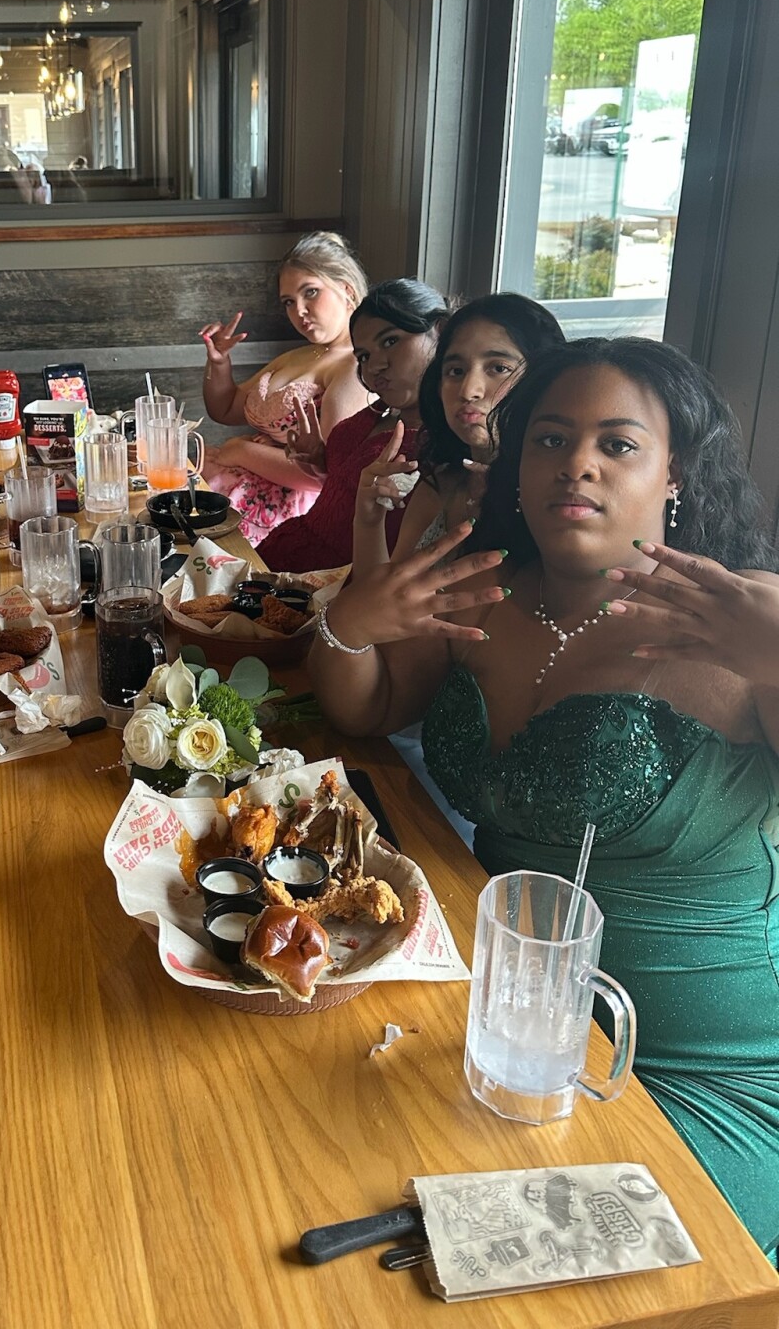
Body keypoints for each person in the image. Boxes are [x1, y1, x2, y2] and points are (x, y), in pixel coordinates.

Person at [311, 337, 779, 1259]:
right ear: (518, 466)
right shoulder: (482, 590)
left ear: (676, 473)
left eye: (619, 444)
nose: (578, 465)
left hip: (702, 1066)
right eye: (552, 440)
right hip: (506, 1028)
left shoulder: (740, 615)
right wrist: (349, 624)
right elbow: (368, 709)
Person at [256, 278, 448, 571]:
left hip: (339, 584)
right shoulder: (378, 413)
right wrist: (319, 462)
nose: (375, 366)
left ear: (440, 332)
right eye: (364, 356)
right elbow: (345, 491)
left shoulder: (442, 446)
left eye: (390, 341)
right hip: (286, 557)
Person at [364, 294, 565, 564]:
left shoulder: (560, 495)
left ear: (543, 380)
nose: (469, 390)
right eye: (456, 371)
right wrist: (368, 521)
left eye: (498, 368)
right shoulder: (441, 483)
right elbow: (385, 591)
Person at [200, 233, 372, 546]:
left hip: (282, 521)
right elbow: (224, 409)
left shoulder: (353, 366)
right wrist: (219, 362)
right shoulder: (299, 355)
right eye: (289, 302)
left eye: (311, 292)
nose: (299, 311)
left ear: (347, 290)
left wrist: (241, 451)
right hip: (231, 495)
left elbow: (327, 472)